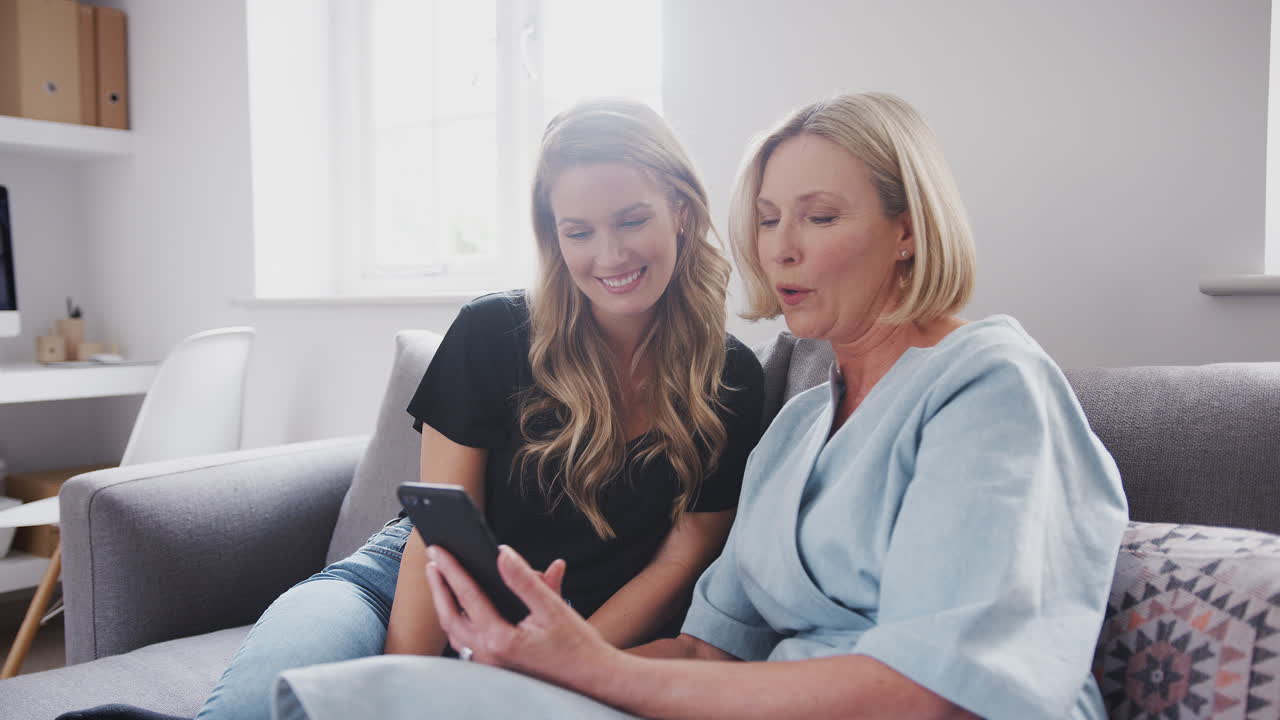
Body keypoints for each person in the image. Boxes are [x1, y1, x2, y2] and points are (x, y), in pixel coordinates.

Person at [270, 92, 1129, 720]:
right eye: (765, 218)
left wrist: (586, 670)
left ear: (909, 229)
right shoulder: (797, 428)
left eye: (820, 217)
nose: (782, 248)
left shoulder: (987, 383)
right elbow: (707, 645)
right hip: (709, 685)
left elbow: (931, 693)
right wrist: (528, 676)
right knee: (343, 701)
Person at [57, 99, 760, 720]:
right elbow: (441, 530)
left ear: (682, 209)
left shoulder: (731, 377)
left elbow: (684, 553)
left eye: (631, 220)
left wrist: (572, 656)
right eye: (577, 231)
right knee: (261, 704)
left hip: (563, 626)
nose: (609, 254)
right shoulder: (495, 332)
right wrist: (405, 687)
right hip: (394, 584)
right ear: (553, 236)